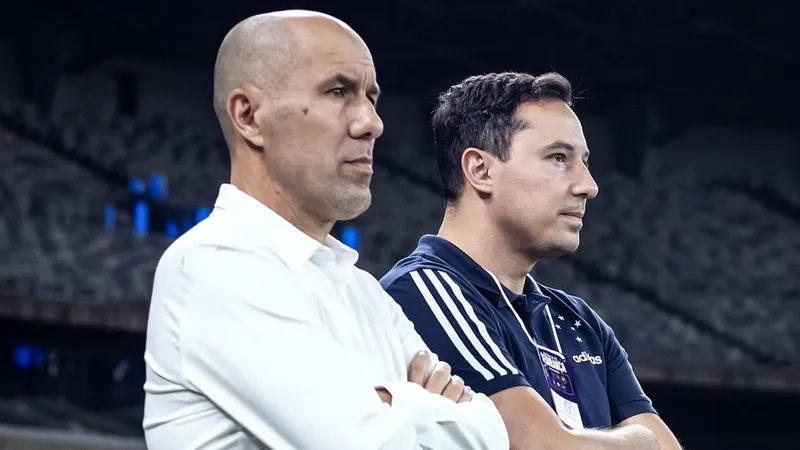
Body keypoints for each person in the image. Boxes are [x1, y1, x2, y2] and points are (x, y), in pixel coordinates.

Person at [141, 10, 509, 450]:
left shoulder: (365, 292)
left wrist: (393, 405)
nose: (372, 123)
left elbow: (493, 434)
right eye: (338, 91)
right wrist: (427, 405)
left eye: (371, 97)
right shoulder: (213, 267)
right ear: (249, 116)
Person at [380, 71, 682, 450]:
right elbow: (540, 446)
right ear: (480, 170)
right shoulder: (422, 293)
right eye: (558, 158)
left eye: (584, 162)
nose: (589, 186)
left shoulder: (579, 321)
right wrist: (639, 441)